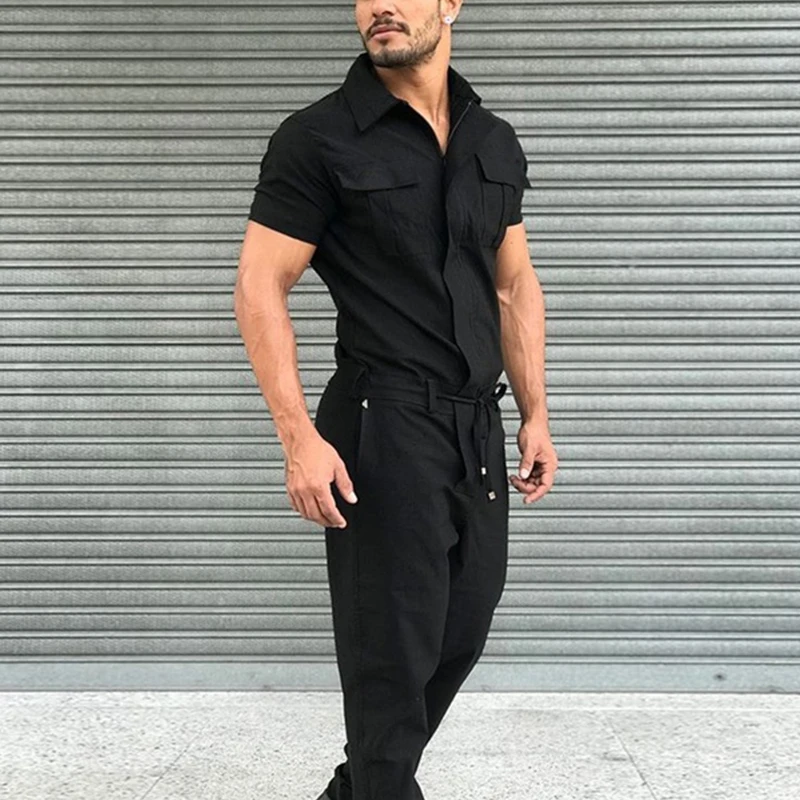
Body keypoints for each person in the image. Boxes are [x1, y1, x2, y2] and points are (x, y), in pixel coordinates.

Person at [234, 1, 558, 797]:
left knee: (461, 629)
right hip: (382, 420)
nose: (380, 5)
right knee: (392, 660)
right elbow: (260, 285)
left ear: (451, 4)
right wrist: (298, 438)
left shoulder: (492, 140)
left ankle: (359, 787)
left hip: (475, 427)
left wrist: (535, 413)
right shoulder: (318, 138)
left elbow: (513, 286)